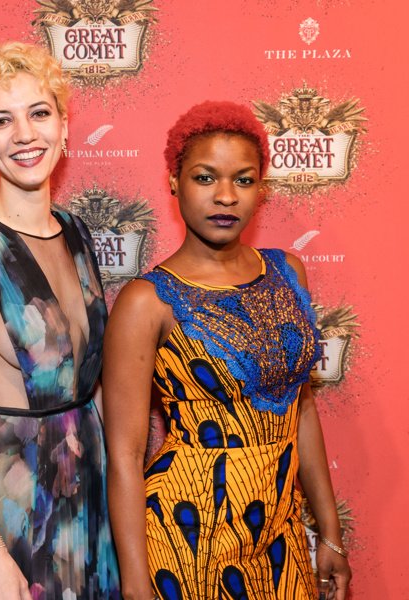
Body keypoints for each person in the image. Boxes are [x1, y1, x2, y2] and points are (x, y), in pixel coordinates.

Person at [103, 101, 352, 600]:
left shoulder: (287, 272)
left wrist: (329, 532)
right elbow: (125, 455)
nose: (224, 196)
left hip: (278, 532)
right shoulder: (145, 301)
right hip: (189, 531)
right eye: (204, 178)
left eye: (243, 180)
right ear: (174, 181)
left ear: (262, 187)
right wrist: (135, 587)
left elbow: (299, 406)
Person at [0, 40, 120, 600]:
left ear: (63, 125)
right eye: (1, 121)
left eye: (39, 113)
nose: (25, 135)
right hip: (16, 508)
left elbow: (95, 384)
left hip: (89, 498)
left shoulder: (76, 234)